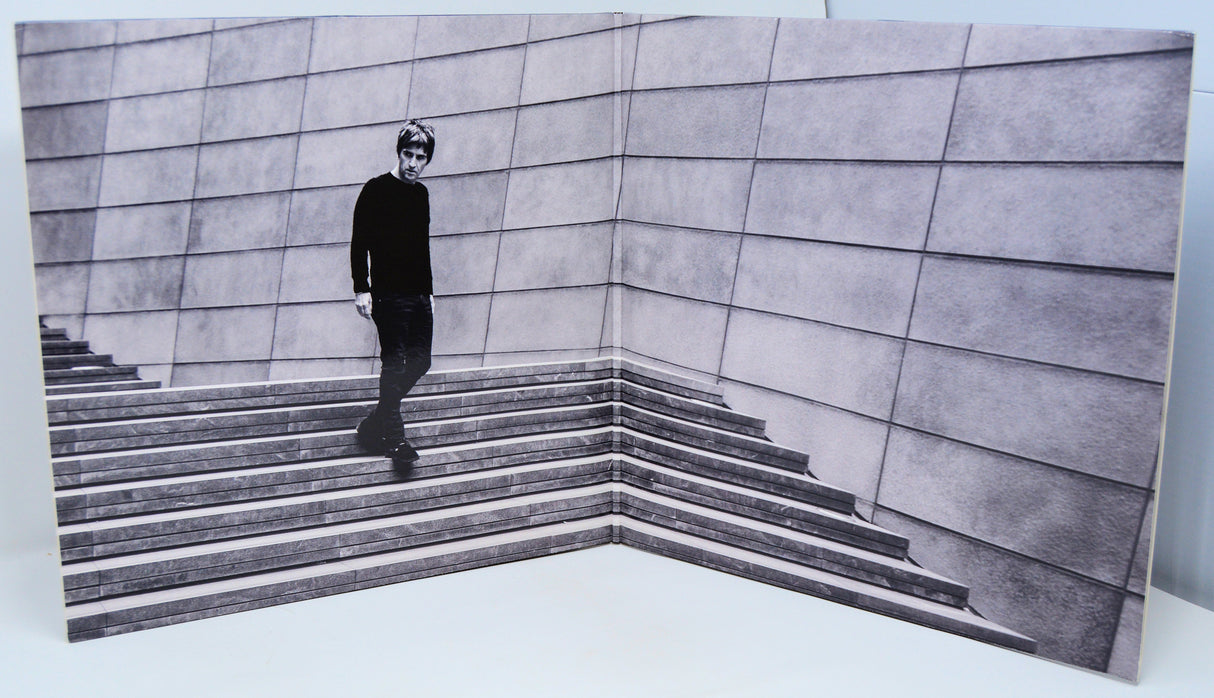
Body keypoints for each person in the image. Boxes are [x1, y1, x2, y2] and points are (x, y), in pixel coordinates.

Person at [350, 119, 436, 471]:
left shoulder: (421, 195)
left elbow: (422, 248)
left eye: (420, 156)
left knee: (422, 361)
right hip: (387, 295)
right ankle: (395, 440)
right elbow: (359, 244)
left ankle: (373, 424)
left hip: (417, 293)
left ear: (428, 159)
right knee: (394, 362)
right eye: (407, 154)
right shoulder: (375, 190)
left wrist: (429, 293)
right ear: (398, 153)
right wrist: (361, 288)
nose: (413, 163)